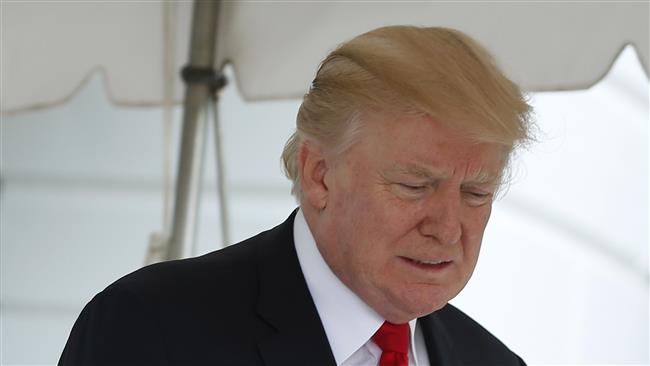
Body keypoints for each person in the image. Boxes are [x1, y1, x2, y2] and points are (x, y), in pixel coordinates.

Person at [59, 25, 532, 366]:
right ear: (319, 175)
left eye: (476, 192)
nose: (448, 228)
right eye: (414, 186)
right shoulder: (153, 329)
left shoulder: (493, 361)